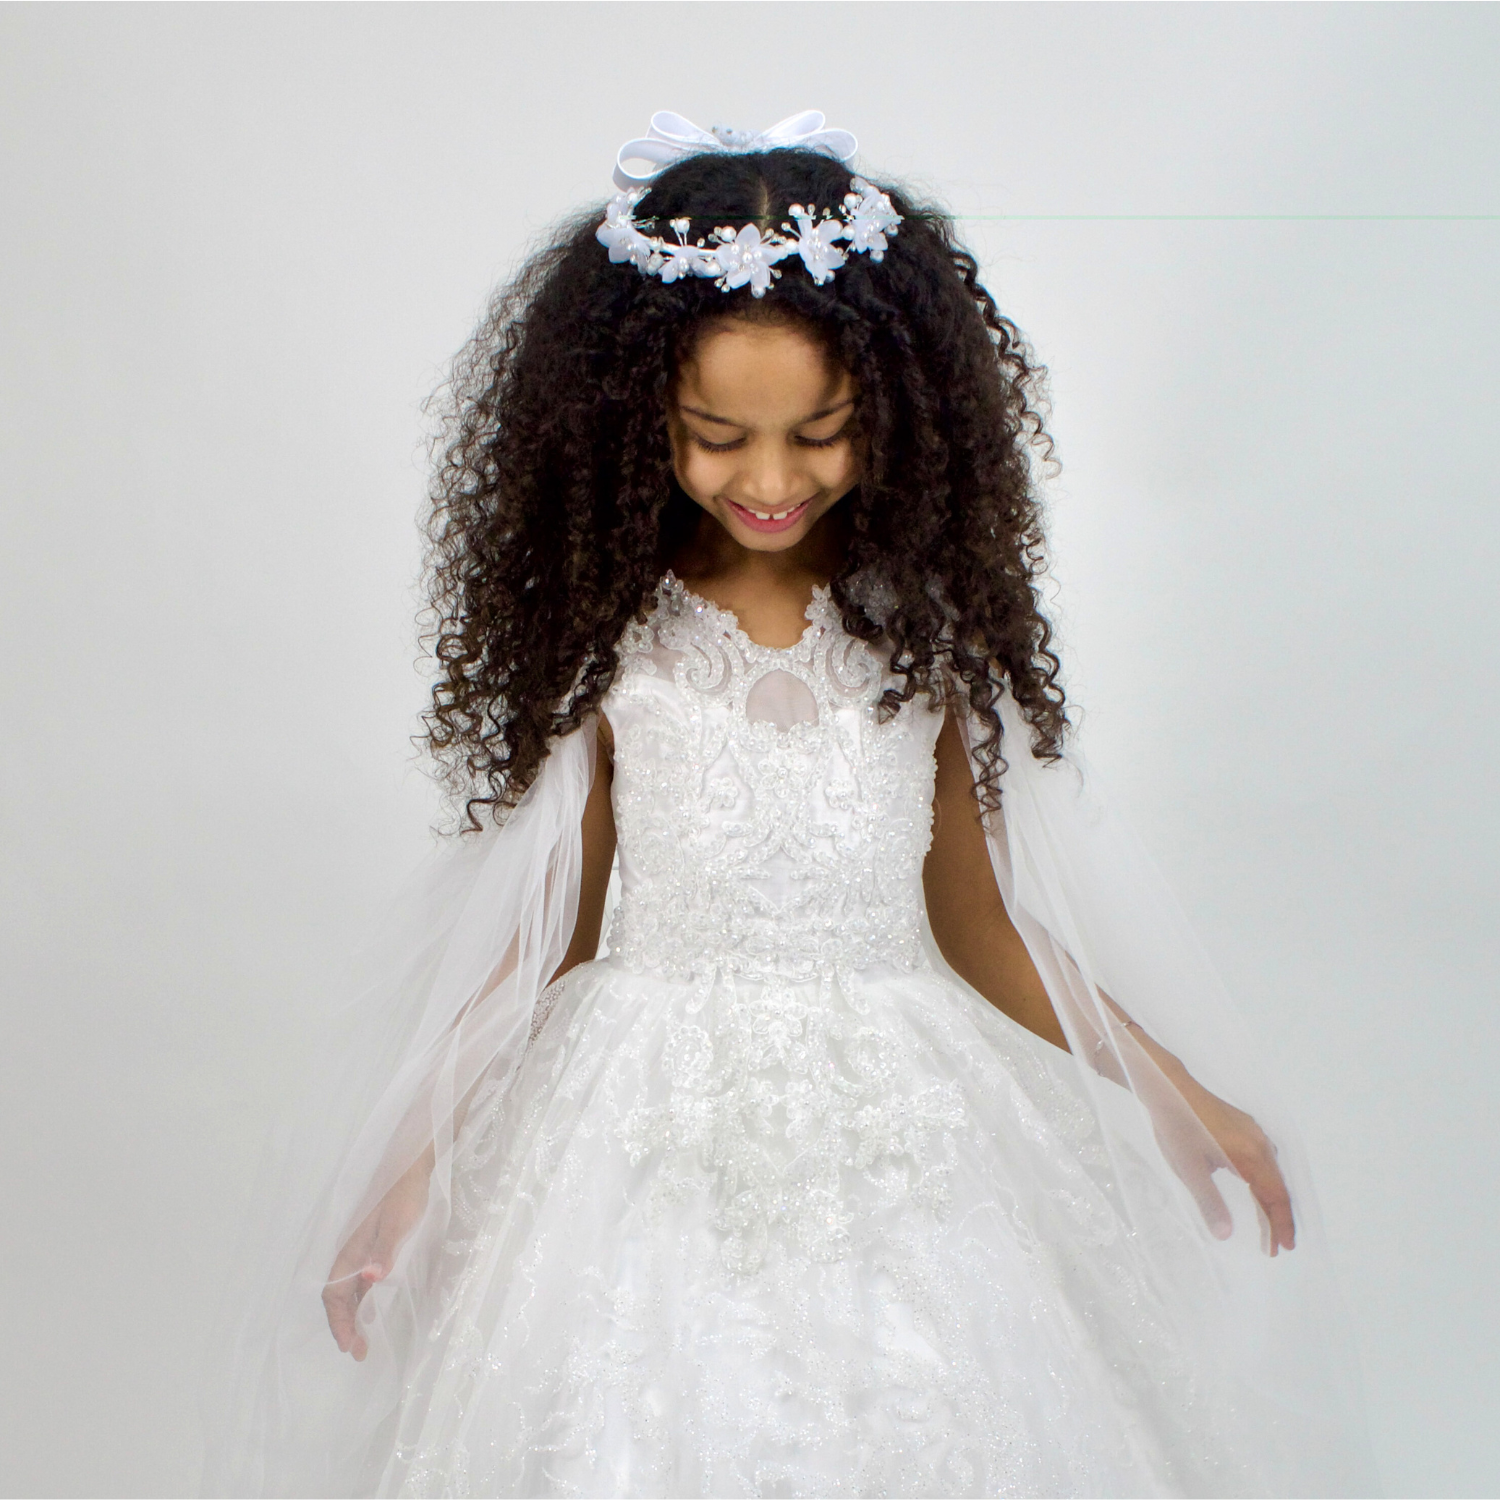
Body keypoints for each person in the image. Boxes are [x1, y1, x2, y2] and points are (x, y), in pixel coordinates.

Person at [206, 112, 1376, 1498]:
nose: (771, 483)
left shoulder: (918, 644)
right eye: (717, 438)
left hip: (904, 1136)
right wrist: (411, 1171)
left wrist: (1174, 1095)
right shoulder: (616, 649)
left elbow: (979, 925)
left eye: (820, 434)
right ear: (637, 417)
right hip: (648, 1135)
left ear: (897, 410)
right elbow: (546, 946)